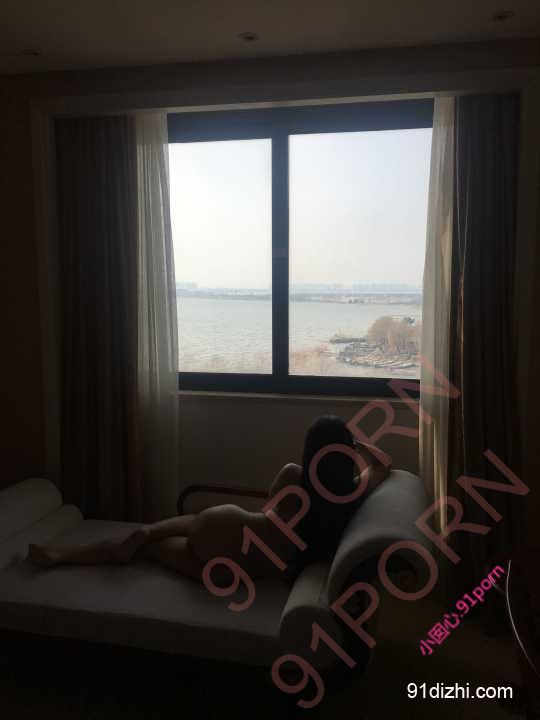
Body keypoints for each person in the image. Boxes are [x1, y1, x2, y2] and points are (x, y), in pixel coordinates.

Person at [28, 415, 390, 582]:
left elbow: (268, 507)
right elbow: (384, 464)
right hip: (235, 567)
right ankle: (72, 553)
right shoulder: (351, 495)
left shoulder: (294, 476)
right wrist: (353, 444)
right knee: (147, 550)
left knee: (143, 541)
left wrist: (346, 441)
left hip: (228, 523)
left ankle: (68, 553)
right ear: (345, 454)